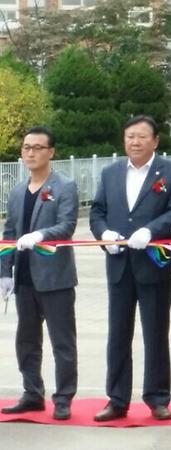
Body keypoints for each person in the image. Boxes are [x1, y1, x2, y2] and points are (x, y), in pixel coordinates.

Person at [89, 115, 171, 422]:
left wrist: (151, 231)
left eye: (142, 136)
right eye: (130, 136)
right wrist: (104, 234)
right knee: (118, 334)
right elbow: (97, 212)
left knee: (156, 333)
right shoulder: (110, 173)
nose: (135, 142)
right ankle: (117, 399)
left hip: (154, 265)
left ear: (155, 141)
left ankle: (157, 397)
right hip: (119, 264)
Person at [0, 127, 79, 421]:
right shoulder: (18, 190)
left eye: (37, 147)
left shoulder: (64, 186)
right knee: (27, 340)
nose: (30, 153)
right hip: (24, 278)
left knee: (62, 341)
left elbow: (67, 226)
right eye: (26, 148)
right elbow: (9, 233)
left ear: (51, 152)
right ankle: (32, 393)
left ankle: (64, 397)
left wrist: (41, 234)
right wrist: (4, 271)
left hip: (55, 278)